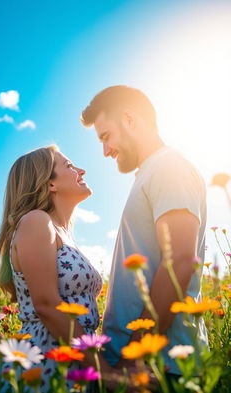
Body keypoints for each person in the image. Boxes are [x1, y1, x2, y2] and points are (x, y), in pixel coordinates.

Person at [81, 86, 208, 386]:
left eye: (105, 136)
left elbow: (179, 260)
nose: (105, 150)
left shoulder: (168, 167)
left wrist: (137, 354)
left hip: (158, 366)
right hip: (141, 362)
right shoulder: (152, 172)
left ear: (129, 119)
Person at [0, 145, 114, 392]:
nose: (81, 170)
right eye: (69, 165)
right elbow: (47, 304)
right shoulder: (37, 221)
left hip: (72, 356)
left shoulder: (62, 233)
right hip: (45, 359)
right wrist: (107, 373)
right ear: (49, 184)